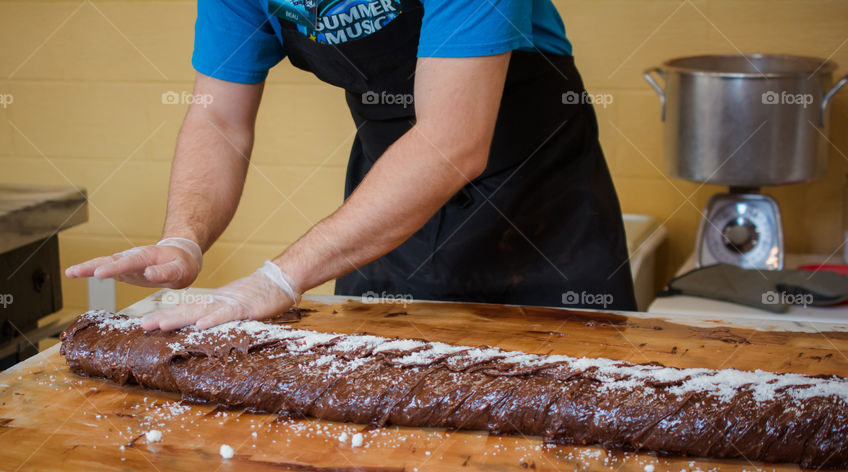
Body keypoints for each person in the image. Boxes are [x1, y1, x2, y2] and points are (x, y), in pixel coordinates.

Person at [66, 0, 636, 331]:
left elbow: (452, 141)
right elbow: (219, 120)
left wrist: (277, 280)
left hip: (539, 203)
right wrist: (183, 241)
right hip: (391, 200)